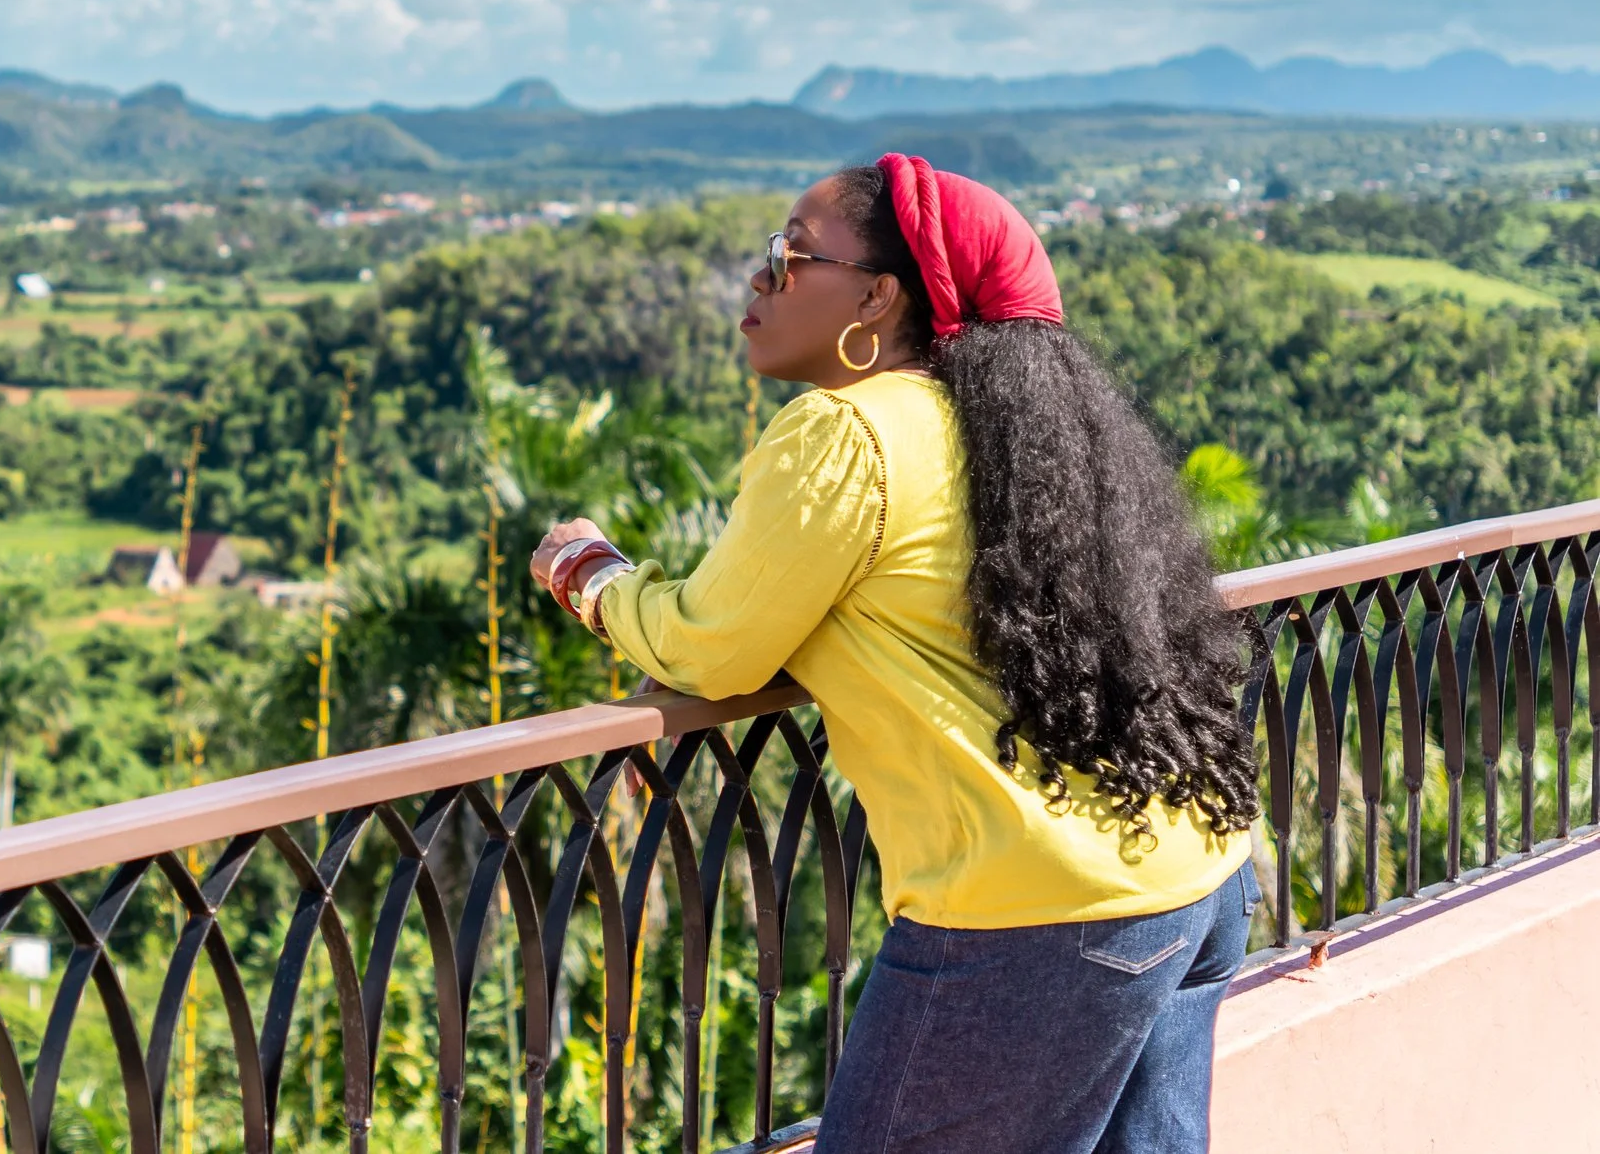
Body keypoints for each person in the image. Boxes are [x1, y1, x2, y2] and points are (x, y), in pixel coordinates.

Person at [530, 155, 1258, 1154]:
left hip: (1040, 917)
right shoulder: (1028, 430)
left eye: (787, 254)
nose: (758, 278)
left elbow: (712, 644)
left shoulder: (848, 428)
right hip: (1194, 871)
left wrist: (592, 574)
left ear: (878, 294)